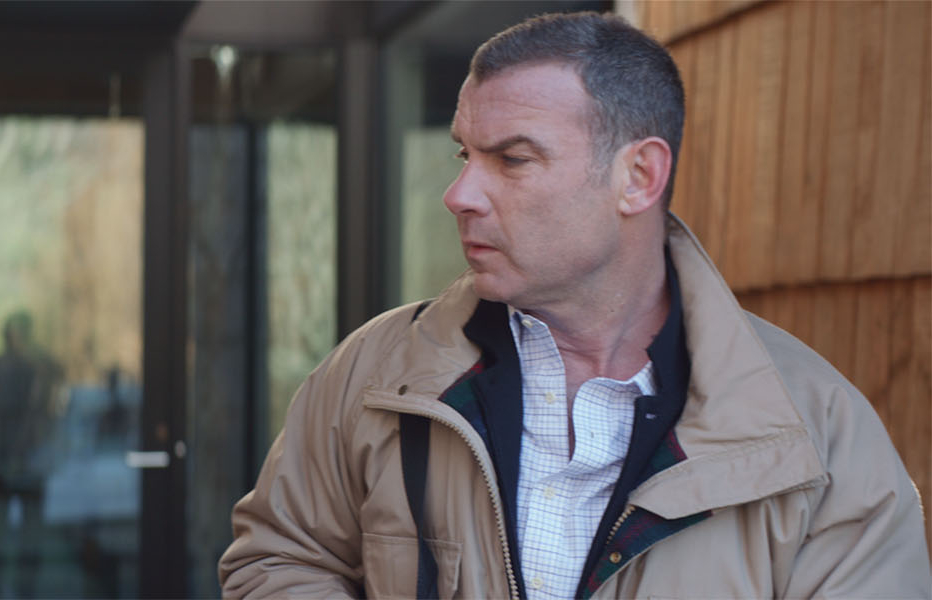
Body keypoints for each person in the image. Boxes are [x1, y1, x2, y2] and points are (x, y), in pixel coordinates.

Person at [220, 12, 930, 599]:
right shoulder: (372, 373)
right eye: (464, 155)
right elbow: (277, 561)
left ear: (638, 176)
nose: (459, 195)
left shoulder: (817, 434)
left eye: (512, 159)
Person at [0, 311, 63, 598]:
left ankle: (26, 590)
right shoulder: (0, 365)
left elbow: (48, 407)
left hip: (29, 460)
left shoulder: (41, 365)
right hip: (2, 459)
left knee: (30, 534)